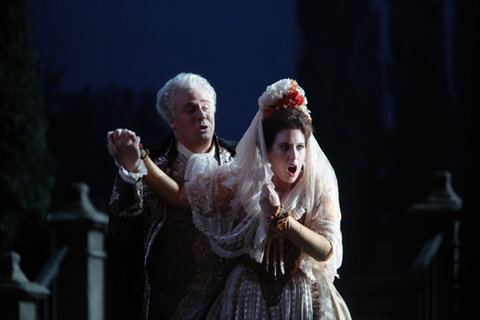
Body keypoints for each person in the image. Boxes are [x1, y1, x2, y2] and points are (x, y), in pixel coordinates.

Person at [126, 79, 352, 319]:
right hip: (247, 298)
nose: (294, 156)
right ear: (267, 149)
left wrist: (280, 217)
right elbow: (183, 198)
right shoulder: (244, 181)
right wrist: (141, 160)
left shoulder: (317, 186)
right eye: (284, 147)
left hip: (302, 298)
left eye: (300, 147)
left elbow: (326, 250)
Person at [106, 73, 237, 320]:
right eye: (190, 110)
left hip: (231, 306)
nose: (201, 115)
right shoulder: (153, 162)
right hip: (165, 310)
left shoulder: (240, 161)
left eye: (206, 107)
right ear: (172, 121)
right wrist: (129, 171)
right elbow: (122, 232)